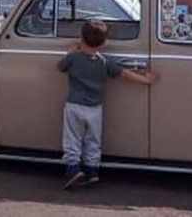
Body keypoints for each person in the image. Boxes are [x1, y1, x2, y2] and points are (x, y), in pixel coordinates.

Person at [57, 19, 159, 189]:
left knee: (73, 139)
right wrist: (145, 80)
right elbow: (124, 74)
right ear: (104, 43)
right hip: (95, 108)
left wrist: (70, 52)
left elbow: (60, 67)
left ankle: (74, 169)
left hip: (74, 106)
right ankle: (92, 170)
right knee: (93, 140)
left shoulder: (73, 58)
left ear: (81, 38)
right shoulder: (104, 62)